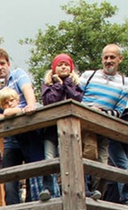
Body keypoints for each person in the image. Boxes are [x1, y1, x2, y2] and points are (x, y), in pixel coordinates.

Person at [0, 48, 47, 203]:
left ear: (8, 63)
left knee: (34, 175)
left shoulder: (18, 75)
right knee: (10, 180)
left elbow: (27, 91)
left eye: (2, 63)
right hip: (10, 140)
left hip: (31, 133)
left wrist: (29, 106)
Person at [79, 44, 128, 199]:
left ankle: (97, 197)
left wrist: (102, 112)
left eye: (112, 57)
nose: (108, 61)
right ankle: (85, 194)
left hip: (104, 127)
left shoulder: (124, 82)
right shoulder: (89, 75)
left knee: (103, 164)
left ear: (120, 59)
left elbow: (119, 111)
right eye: (106, 57)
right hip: (84, 123)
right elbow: (75, 97)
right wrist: (88, 110)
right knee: (89, 154)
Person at [41, 53, 85, 200]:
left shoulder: (75, 84)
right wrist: (59, 85)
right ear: (54, 68)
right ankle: (47, 188)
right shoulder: (48, 85)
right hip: (51, 129)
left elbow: (78, 99)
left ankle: (82, 190)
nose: (63, 67)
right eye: (60, 65)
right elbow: (49, 101)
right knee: (49, 158)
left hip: (71, 130)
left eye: (66, 64)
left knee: (73, 158)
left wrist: (67, 84)